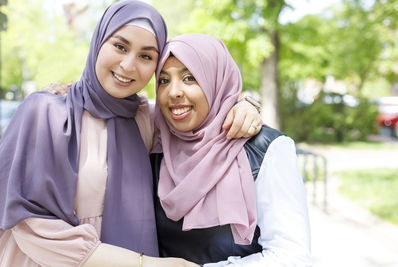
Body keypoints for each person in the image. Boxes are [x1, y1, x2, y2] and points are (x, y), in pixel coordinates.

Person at [0, 1, 261, 266]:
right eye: (120, 47)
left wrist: (245, 105)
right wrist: (144, 264)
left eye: (146, 56)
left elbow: (204, 111)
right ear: (99, 42)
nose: (128, 65)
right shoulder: (45, 111)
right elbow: (27, 223)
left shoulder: (145, 120)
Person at [151, 33, 312, 266]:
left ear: (216, 80)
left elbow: (291, 256)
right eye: (164, 81)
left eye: (189, 78)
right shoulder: (155, 147)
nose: (173, 92)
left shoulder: (264, 149)